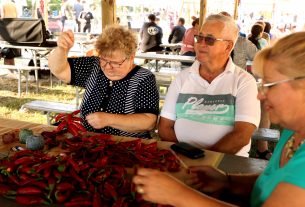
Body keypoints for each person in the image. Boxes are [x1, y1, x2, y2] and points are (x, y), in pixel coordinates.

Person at [133, 31, 305, 207]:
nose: (260, 95)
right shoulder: (293, 130)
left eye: (269, 85)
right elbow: (272, 181)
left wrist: (178, 195)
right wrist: (228, 181)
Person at [158, 14, 260, 157]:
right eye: (199, 37)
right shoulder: (182, 78)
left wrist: (204, 160)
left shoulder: (244, 81)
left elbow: (241, 135)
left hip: (226, 164)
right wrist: (186, 155)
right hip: (181, 159)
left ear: (228, 46)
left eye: (210, 39)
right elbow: (164, 127)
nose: (201, 44)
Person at [48, 25, 159, 138]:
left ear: (131, 57)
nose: (108, 67)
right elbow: (59, 70)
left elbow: (149, 121)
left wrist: (109, 119)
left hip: (128, 145)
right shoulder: (94, 66)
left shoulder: (144, 78)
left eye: (116, 63)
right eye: (104, 60)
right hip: (88, 142)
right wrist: (62, 49)